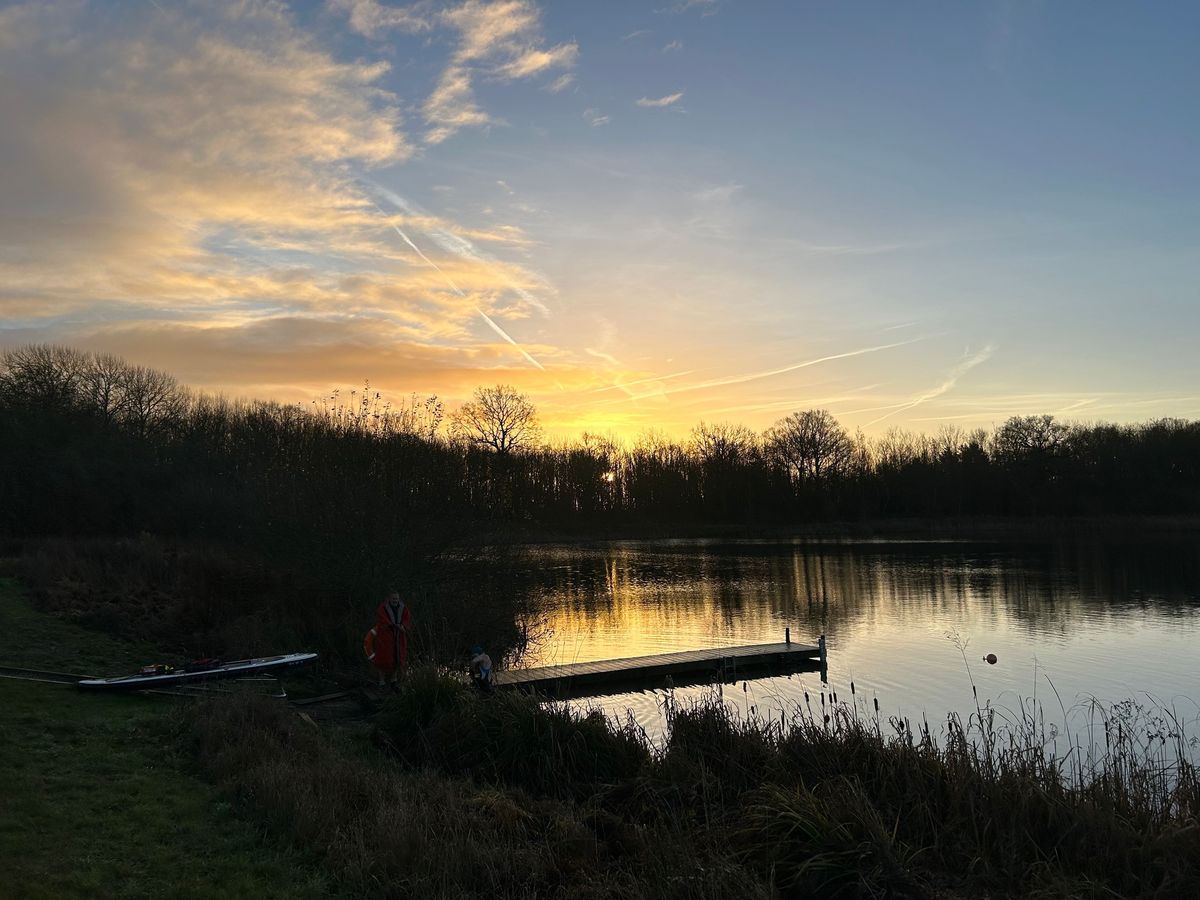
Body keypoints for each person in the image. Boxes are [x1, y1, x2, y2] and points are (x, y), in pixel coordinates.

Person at [364, 590, 411, 687]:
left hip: (399, 637)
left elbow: (407, 619)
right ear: (389, 598)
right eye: (393, 598)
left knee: (398, 658)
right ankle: (382, 680)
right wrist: (392, 625)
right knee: (383, 658)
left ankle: (394, 679)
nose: (395, 600)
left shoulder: (403, 608)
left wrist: (403, 626)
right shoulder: (382, 608)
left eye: (397, 599)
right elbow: (382, 620)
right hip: (386, 637)